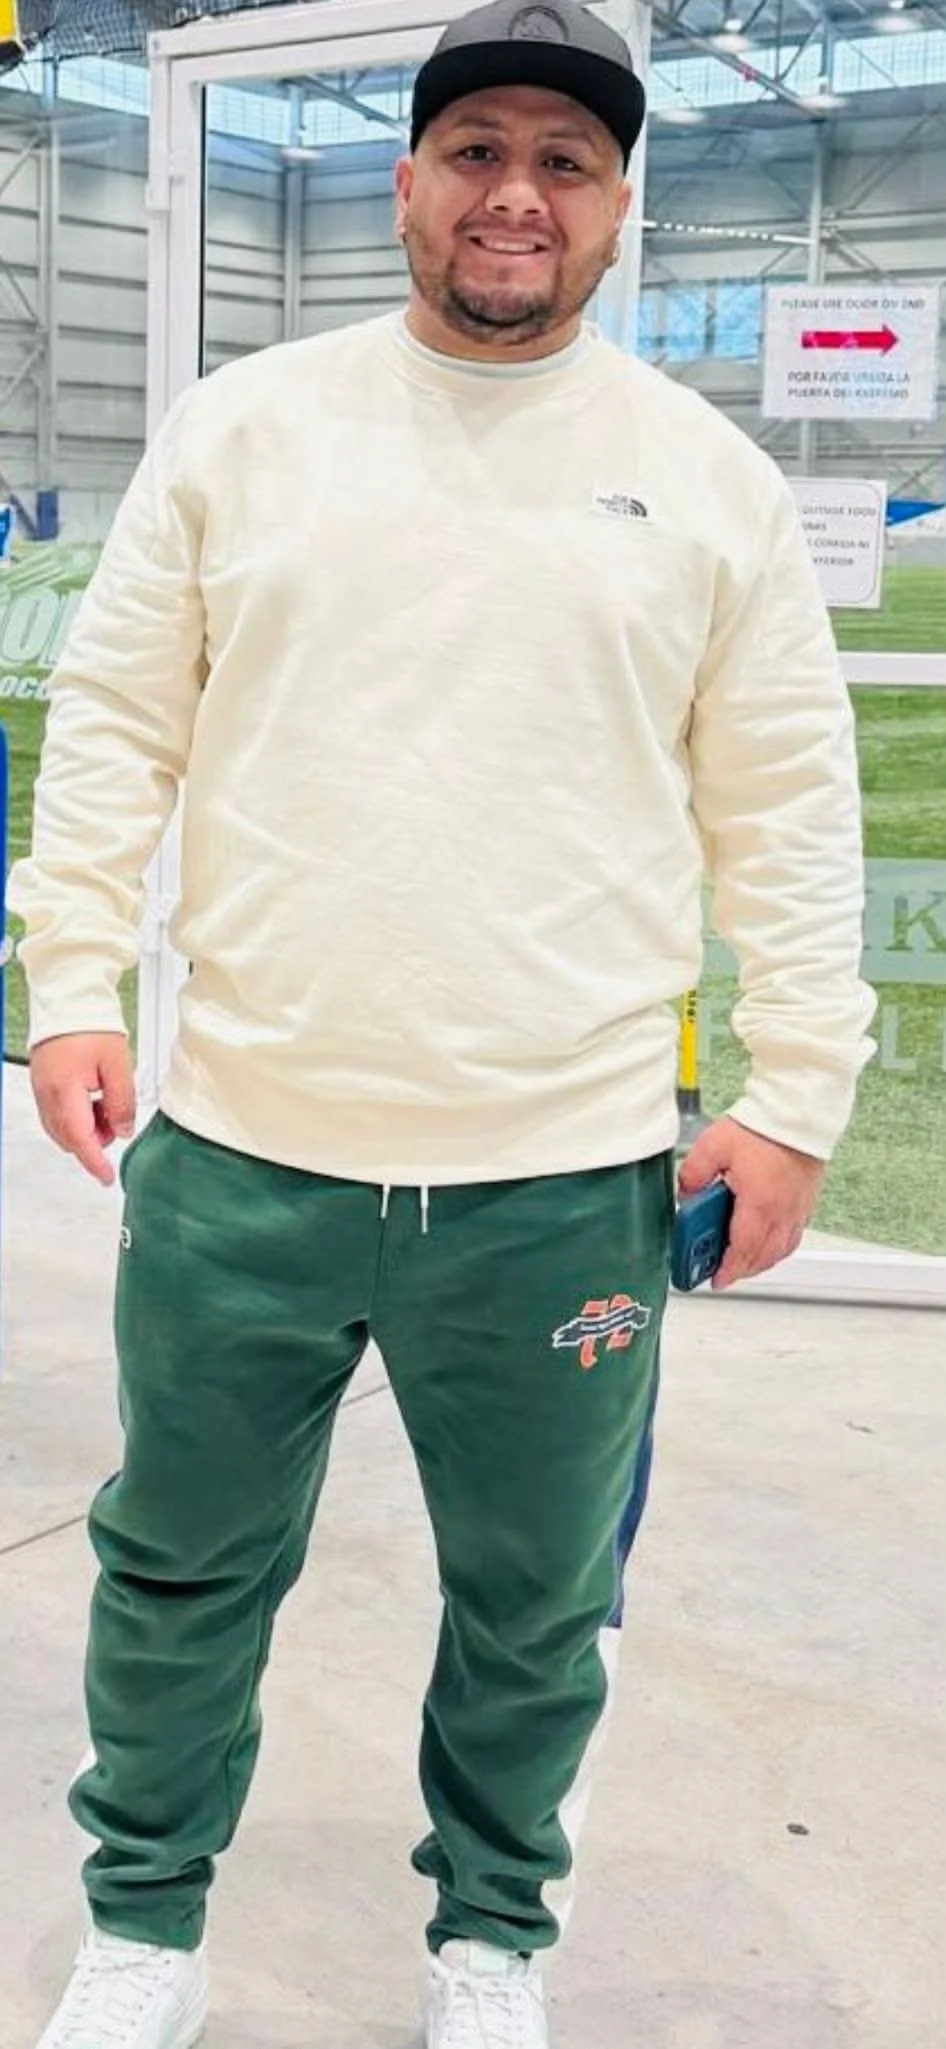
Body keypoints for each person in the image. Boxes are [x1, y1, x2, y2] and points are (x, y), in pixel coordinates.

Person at [10, 1, 876, 2044]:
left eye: (564, 163)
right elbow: (116, 722)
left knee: (534, 1604)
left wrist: (795, 1094)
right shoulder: (245, 429)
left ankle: (491, 1938)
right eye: (477, 148)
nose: (515, 194)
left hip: (560, 1177)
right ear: (405, 183)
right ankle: (144, 1931)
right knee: (177, 1570)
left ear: (617, 209)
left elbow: (785, 807)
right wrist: (68, 983)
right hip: (245, 1154)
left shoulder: (704, 482)